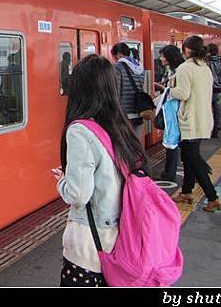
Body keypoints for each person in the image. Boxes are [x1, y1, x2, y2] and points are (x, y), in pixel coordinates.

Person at [52, 54, 148, 287]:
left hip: (89, 246)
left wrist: (62, 180)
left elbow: (78, 195)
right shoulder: (119, 125)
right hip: (120, 236)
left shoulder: (80, 131)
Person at [170, 36, 221, 212]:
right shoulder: (204, 67)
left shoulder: (185, 68)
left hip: (190, 121)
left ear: (186, 49)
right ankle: (186, 192)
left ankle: (212, 197)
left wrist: (169, 89)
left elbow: (183, 94)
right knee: (188, 157)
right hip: (203, 119)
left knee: (193, 159)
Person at [153, 45, 184, 183]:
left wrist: (163, 88)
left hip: (176, 112)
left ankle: (170, 173)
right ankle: (169, 171)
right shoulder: (172, 70)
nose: (161, 59)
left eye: (163, 56)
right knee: (174, 141)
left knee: (173, 141)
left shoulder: (179, 71)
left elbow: (177, 91)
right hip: (172, 110)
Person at [111, 42, 146, 142]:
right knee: (137, 143)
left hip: (125, 113)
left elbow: (116, 90)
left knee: (125, 145)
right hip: (139, 111)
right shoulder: (139, 66)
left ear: (119, 54)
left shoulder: (118, 67)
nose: (114, 59)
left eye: (114, 56)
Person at [206, 44, 221, 138]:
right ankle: (217, 128)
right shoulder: (220, 61)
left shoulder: (207, 61)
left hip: (209, 87)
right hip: (219, 87)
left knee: (207, 109)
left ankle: (208, 128)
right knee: (218, 108)